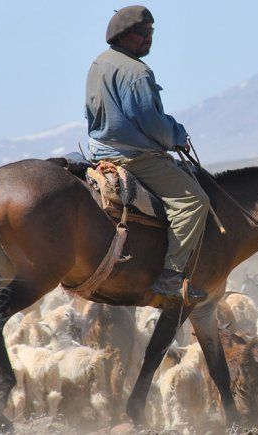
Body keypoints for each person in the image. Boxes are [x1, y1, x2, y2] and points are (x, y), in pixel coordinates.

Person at [85, 5, 209, 302]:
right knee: (194, 201)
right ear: (123, 35)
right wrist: (177, 136)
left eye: (151, 33)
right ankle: (171, 276)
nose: (148, 39)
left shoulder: (99, 64)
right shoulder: (137, 72)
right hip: (133, 156)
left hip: (99, 150)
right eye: (142, 33)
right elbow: (150, 121)